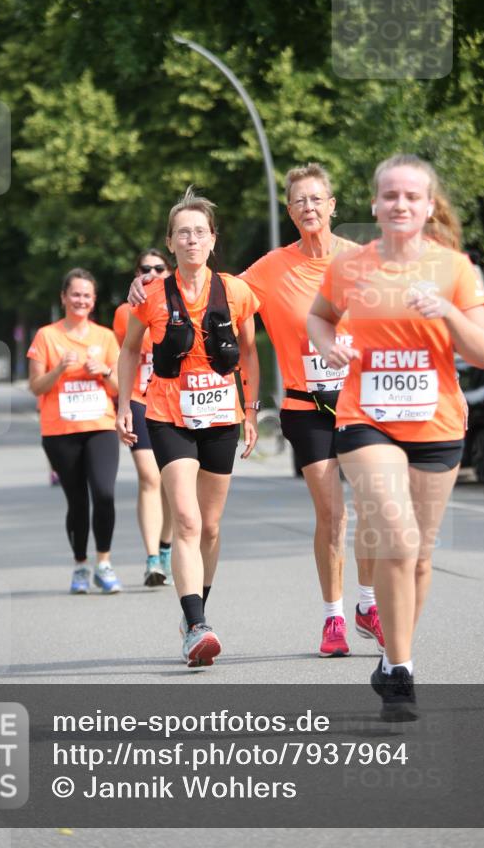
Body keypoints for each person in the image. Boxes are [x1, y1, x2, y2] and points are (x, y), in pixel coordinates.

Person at [129, 164, 382, 658]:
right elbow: (209, 291)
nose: (309, 208)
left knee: (373, 507)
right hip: (307, 405)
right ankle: (332, 618)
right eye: (299, 201)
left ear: (332, 206)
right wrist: (144, 288)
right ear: (289, 211)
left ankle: (367, 605)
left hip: (363, 402)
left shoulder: (361, 260)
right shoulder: (269, 269)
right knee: (333, 513)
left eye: (317, 199)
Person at [308, 153, 484, 720]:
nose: (400, 204)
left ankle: (391, 659)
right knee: (397, 537)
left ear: (429, 205)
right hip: (366, 419)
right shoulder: (350, 267)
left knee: (419, 557)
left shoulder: (455, 269)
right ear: (374, 204)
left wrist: (447, 312)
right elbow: (319, 317)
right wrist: (328, 346)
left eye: (412, 196)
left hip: (436, 422)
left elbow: (482, 353)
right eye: (390, 195)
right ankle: (405, 676)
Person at [116, 188, 260, 667]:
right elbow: (129, 350)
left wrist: (252, 410)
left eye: (200, 232)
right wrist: (123, 404)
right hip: (167, 416)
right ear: (170, 242)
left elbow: (249, 352)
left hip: (221, 417)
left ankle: (195, 610)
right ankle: (197, 626)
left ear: (213, 239)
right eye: (183, 233)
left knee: (211, 527)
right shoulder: (151, 296)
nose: (192, 240)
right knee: (187, 519)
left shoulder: (236, 292)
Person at [28, 268, 122, 595]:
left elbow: (120, 387)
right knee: (78, 501)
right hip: (60, 431)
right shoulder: (46, 336)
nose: (81, 300)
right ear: (64, 297)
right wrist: (59, 369)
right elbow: (36, 386)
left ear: (93, 301)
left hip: (100, 427)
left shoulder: (105, 337)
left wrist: (105, 371)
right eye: (76, 294)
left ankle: (104, 563)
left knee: (105, 494)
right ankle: (81, 565)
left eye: (87, 295)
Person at [113, 249, 174, 587]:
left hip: (175, 401)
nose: (152, 273)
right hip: (141, 399)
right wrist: (121, 405)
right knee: (150, 477)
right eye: (145, 268)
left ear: (170, 270)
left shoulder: (183, 304)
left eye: (159, 268)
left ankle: (165, 547)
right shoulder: (126, 312)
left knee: (172, 481)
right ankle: (152, 558)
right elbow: (123, 356)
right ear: (136, 274)